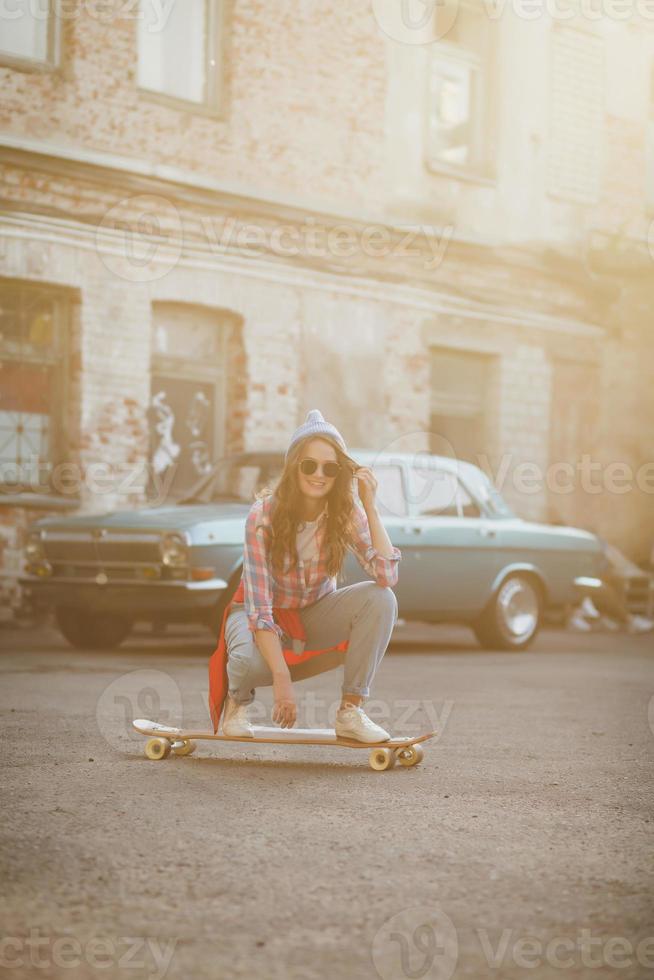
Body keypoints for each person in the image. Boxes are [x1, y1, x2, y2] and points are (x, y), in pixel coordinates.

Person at [217, 409, 402, 743]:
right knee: (245, 665)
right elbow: (259, 609)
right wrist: (282, 679)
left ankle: (351, 711)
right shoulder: (263, 516)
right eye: (309, 465)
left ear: (339, 474)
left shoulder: (345, 511)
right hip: (254, 613)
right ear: (294, 467)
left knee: (381, 599)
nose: (319, 475)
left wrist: (371, 506)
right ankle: (237, 703)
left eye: (330, 468)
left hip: (313, 613)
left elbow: (386, 574)